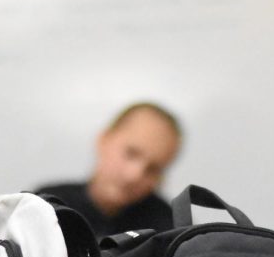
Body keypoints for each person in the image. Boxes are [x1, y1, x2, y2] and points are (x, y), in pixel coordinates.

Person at [36, 102, 183, 237]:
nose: (134, 176)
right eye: (131, 153)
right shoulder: (44, 205)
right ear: (103, 140)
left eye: (153, 169)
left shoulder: (169, 231)